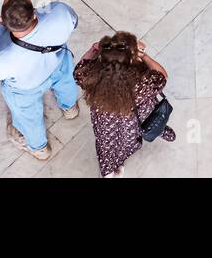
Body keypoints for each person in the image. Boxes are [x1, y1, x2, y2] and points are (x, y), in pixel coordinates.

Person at [0, 0, 80, 161]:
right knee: (67, 83)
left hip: (26, 87)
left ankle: (39, 148)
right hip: (57, 63)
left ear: (5, 23)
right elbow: (74, 21)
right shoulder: (60, 13)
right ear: (34, 13)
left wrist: (0, 28)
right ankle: (70, 108)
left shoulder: (0, 60)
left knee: (29, 117)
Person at [74, 31, 175, 177]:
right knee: (150, 122)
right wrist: (144, 56)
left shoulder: (91, 76)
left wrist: (93, 49)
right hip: (137, 117)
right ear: (132, 61)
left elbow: (79, 69)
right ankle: (161, 131)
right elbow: (162, 75)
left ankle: (109, 171)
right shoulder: (142, 84)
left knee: (107, 145)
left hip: (105, 120)